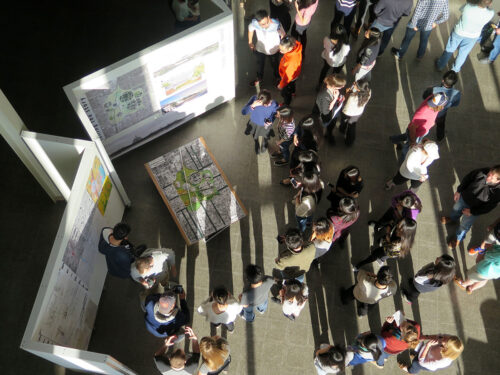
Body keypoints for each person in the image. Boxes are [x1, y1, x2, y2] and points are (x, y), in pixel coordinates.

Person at [441, 166, 500, 248]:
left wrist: (472, 212)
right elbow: (467, 179)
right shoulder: (481, 172)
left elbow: (489, 207)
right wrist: (459, 191)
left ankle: (458, 239)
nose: (488, 177)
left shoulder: (498, 192)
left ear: (498, 180)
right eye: (490, 173)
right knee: (456, 209)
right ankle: (453, 219)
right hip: (464, 198)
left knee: (464, 225)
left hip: (474, 209)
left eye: (492, 177)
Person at [435, 0, 494, 72]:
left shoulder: (468, 6)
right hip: (473, 36)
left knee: (450, 49)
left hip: (459, 32)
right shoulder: (491, 13)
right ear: (490, 3)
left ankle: (440, 65)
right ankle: (454, 70)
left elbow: (461, 9)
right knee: (463, 54)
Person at [389, 94, 447, 158]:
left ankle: (393, 139)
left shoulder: (433, 99)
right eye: (443, 105)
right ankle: (403, 161)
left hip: (421, 132)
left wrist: (431, 122)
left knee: (406, 136)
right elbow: (412, 128)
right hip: (416, 134)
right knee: (407, 150)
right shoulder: (421, 113)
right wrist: (413, 142)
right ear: (438, 106)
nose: (430, 105)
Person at [248, 9, 285, 86]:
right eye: (261, 24)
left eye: (265, 23)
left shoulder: (276, 25)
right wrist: (250, 42)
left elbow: (283, 36)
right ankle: (259, 78)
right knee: (259, 65)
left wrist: (282, 48)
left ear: (268, 17)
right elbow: (250, 29)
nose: (264, 26)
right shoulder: (254, 24)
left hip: (273, 50)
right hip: (260, 49)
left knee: (275, 65)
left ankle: (277, 77)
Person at [421, 71, 461, 142]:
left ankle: (421, 134)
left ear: (443, 80)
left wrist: (428, 89)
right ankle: (440, 137)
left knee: (425, 125)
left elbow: (424, 97)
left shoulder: (434, 89)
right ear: (454, 83)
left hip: (430, 113)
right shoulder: (457, 93)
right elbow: (455, 104)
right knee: (441, 125)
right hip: (442, 114)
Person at [241, 89, 279, 155]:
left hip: (265, 125)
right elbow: (243, 112)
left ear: (270, 98)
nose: (268, 105)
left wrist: (271, 120)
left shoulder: (274, 104)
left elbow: (275, 113)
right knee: (254, 135)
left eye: (269, 103)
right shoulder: (254, 99)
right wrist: (252, 105)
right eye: (265, 105)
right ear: (259, 101)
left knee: (266, 135)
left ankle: (265, 143)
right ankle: (256, 143)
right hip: (254, 123)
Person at [398, 335, 464, 373]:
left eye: (445, 341)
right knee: (417, 354)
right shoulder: (446, 342)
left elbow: (421, 362)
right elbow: (438, 337)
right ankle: (416, 355)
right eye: (446, 338)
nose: (442, 339)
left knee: (415, 363)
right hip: (425, 353)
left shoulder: (441, 361)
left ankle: (410, 371)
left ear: (447, 349)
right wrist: (425, 337)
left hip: (424, 362)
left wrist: (428, 345)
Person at [314, 73, 347, 144]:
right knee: (325, 127)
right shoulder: (325, 96)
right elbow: (326, 112)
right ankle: (326, 136)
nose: (343, 87)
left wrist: (340, 98)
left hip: (334, 113)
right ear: (333, 86)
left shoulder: (330, 85)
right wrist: (335, 99)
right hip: (327, 116)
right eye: (341, 86)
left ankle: (329, 133)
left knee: (331, 126)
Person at [339, 78, 371, 146]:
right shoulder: (368, 93)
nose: (354, 84)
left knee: (344, 121)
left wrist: (347, 92)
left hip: (348, 112)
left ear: (359, 89)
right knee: (352, 126)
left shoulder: (352, 96)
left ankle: (342, 129)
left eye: (356, 85)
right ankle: (349, 141)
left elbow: (345, 101)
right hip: (358, 113)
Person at [317, 25, 351, 89]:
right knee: (335, 74)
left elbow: (325, 47)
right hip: (339, 63)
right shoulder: (346, 46)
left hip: (327, 59)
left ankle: (320, 83)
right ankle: (332, 85)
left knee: (325, 69)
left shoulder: (326, 39)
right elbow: (345, 54)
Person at [278, 36, 303, 105]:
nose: (280, 51)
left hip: (289, 78)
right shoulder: (295, 46)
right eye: (280, 48)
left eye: (282, 50)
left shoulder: (292, 61)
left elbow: (287, 76)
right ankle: (293, 92)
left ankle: (286, 104)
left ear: (290, 48)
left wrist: (281, 85)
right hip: (294, 76)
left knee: (285, 93)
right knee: (292, 85)